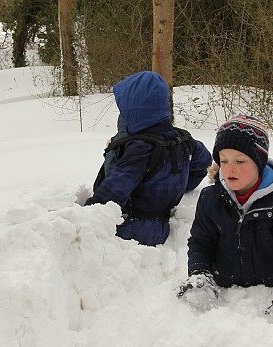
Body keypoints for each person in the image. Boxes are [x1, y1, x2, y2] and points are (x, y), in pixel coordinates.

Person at [177, 115, 273, 315]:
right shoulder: (211, 199)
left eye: (240, 160)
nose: (230, 168)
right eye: (223, 161)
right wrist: (199, 272)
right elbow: (201, 243)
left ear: (259, 162)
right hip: (224, 300)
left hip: (272, 292)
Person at [85, 71, 212, 246]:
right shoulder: (182, 138)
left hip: (134, 227)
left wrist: (89, 212)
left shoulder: (140, 147)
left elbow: (116, 187)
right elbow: (203, 162)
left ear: (133, 110)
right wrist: (183, 184)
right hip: (161, 222)